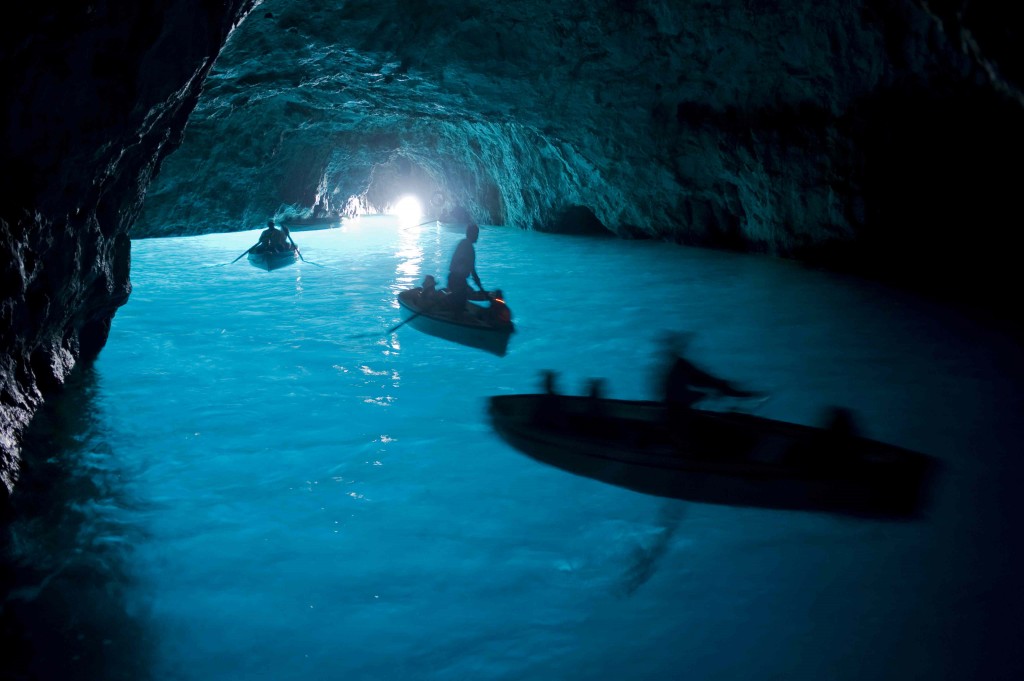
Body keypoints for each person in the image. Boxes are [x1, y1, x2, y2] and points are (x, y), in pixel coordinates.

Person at [446, 222, 485, 314]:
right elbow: (472, 270)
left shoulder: (463, 243)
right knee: (459, 308)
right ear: (471, 234)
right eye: (476, 234)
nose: (477, 236)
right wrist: (481, 288)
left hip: (455, 279)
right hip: (457, 281)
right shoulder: (468, 247)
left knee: (465, 297)